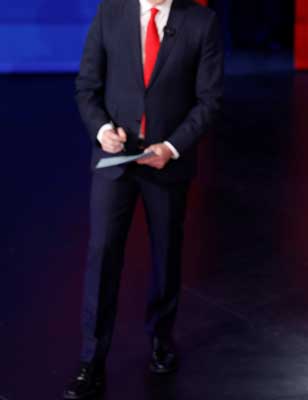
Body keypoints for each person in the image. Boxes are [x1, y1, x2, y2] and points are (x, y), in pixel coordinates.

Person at [64, 0, 222, 398]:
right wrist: (102, 130)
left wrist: (172, 146)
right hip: (115, 159)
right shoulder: (111, 13)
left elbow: (209, 99)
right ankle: (91, 360)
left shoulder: (201, 22)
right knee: (103, 255)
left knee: (166, 254)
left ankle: (162, 339)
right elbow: (86, 85)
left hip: (166, 163)